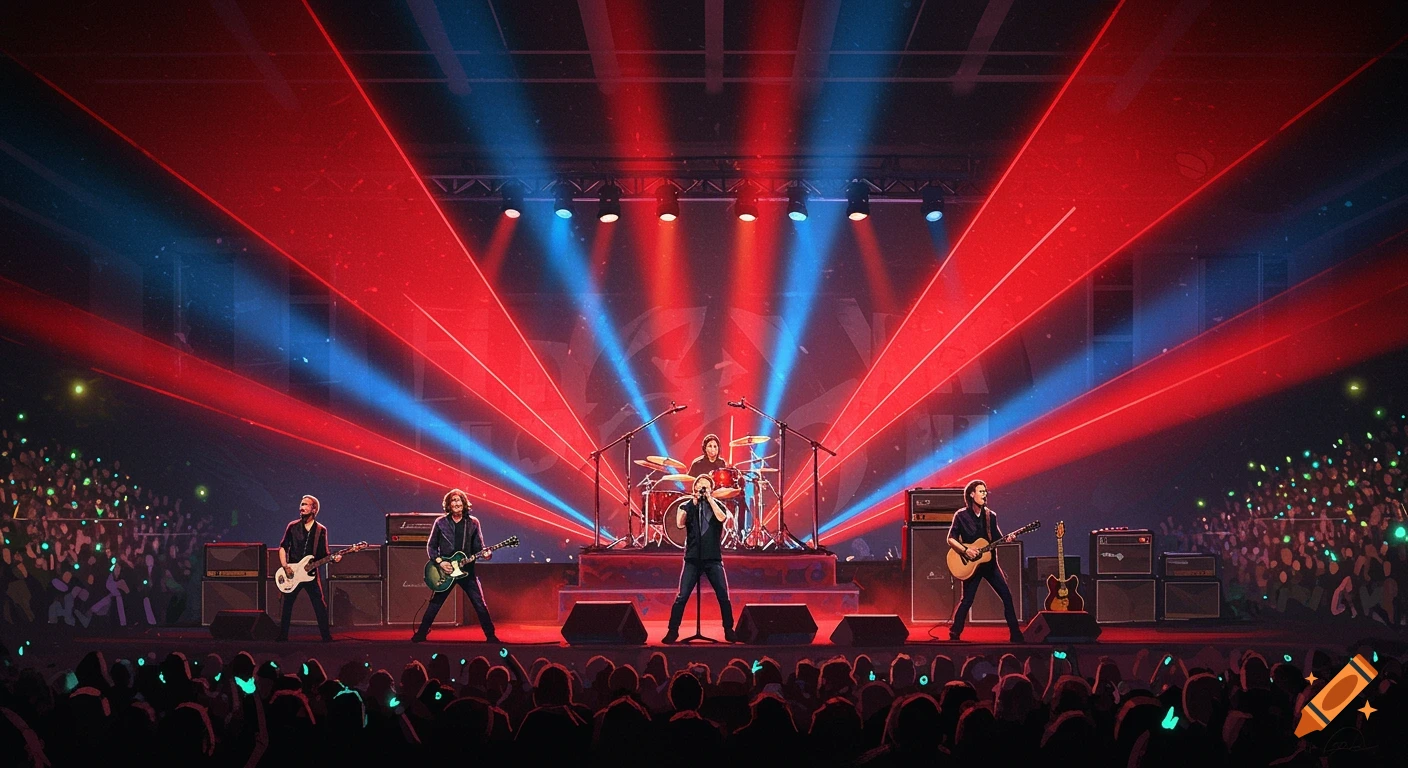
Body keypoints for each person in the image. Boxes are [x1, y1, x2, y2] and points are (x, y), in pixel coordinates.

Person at [412, 488, 498, 643]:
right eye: (453, 501)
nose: (457, 503)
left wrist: (487, 554)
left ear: (464, 503)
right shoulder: (440, 523)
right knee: (436, 603)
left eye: (459, 500)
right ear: (448, 505)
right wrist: (440, 562)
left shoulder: (473, 523)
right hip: (446, 571)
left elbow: (479, 548)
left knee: (479, 603)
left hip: (467, 571)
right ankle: (421, 633)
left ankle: (491, 636)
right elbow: (431, 546)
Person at [663, 474, 737, 643]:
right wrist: (693, 503)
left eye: (706, 486)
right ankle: (672, 631)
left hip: (713, 558)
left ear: (711, 489)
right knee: (682, 596)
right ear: (694, 488)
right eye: (699, 485)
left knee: (723, 595)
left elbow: (722, 518)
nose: (702, 488)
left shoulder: (718, 505)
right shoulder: (686, 505)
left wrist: (710, 499)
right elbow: (680, 523)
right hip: (692, 558)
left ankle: (729, 629)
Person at [947, 479, 1023, 643]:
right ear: (971, 494)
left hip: (990, 564)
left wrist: (1007, 538)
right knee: (967, 600)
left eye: (985, 491)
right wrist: (966, 550)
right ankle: (955, 631)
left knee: (1007, 596)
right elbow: (951, 539)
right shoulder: (960, 516)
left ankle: (1016, 634)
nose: (984, 494)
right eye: (981, 491)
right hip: (971, 564)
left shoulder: (991, 516)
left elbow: (996, 538)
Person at [277, 495, 339, 642]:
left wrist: (333, 559)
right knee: (287, 604)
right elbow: (283, 547)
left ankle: (326, 636)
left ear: (314, 509)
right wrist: (285, 566)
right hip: (292, 572)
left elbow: (324, 554)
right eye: (301, 504)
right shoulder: (292, 527)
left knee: (319, 604)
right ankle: (282, 636)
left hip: (310, 574)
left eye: (305, 504)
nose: (301, 507)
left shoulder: (320, 530)